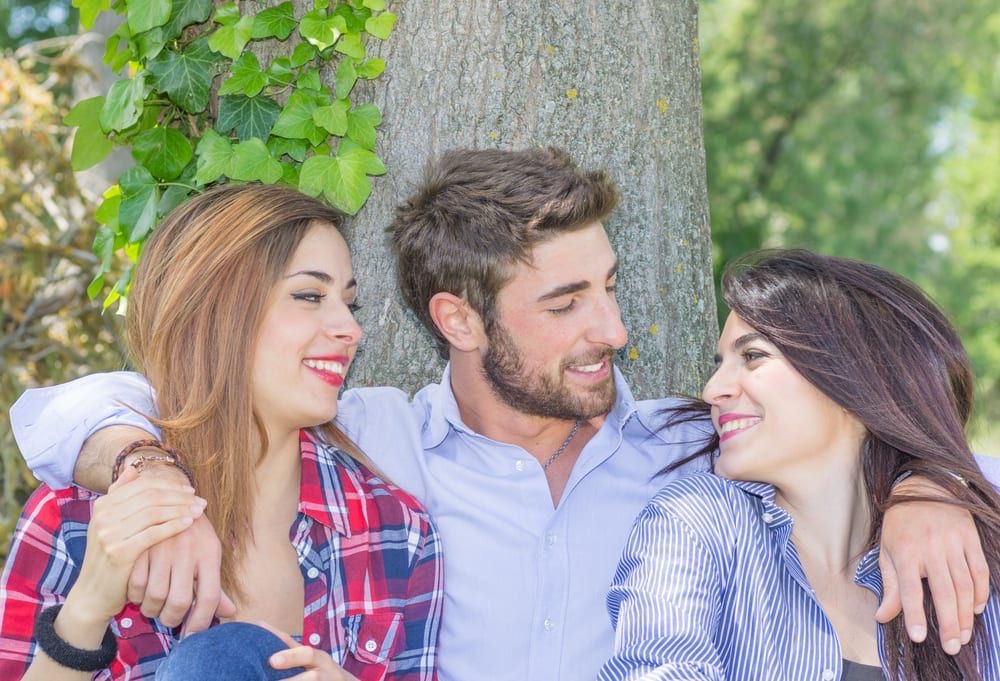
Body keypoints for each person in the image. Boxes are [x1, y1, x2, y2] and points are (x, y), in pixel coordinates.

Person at [8, 149, 993, 681]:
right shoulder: (384, 446)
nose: (612, 328)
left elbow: (844, 417)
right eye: (565, 304)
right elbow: (65, 409)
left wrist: (927, 484)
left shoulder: (691, 449)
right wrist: (140, 462)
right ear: (459, 319)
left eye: (606, 288)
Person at [0, 184, 443, 680]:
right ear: (213, 312)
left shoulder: (395, 531)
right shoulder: (77, 518)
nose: (349, 329)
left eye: (349, 304)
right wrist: (87, 610)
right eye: (309, 296)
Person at [599, 249, 1000, 681]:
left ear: (855, 382)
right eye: (720, 365)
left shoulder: (962, 554)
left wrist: (939, 485)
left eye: (752, 356)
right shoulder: (699, 522)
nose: (714, 389)